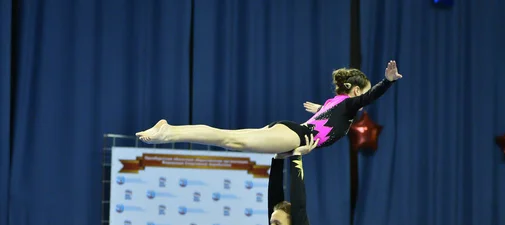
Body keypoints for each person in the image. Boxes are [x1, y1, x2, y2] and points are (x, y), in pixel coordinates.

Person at [135, 61, 402, 154]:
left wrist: (321, 109)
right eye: (362, 94)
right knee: (230, 139)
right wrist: (386, 82)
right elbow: (366, 100)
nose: (363, 101)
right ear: (356, 91)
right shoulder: (349, 104)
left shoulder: (338, 104)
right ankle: (169, 133)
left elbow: (333, 117)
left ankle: (171, 132)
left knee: (231, 139)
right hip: (295, 134)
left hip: (290, 134)